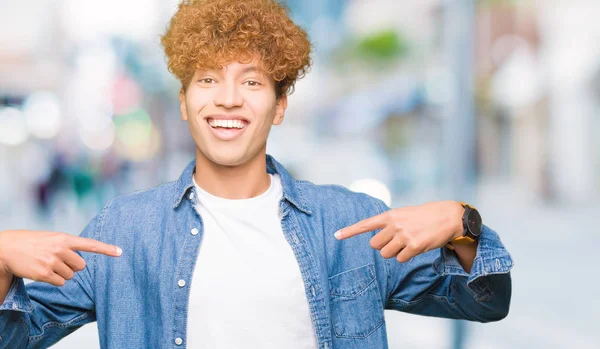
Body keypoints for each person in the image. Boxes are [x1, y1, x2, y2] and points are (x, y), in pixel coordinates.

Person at [0, 0, 513, 348]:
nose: (227, 98)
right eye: (207, 80)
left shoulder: (353, 223)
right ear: (184, 102)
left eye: (250, 81)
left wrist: (461, 220)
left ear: (280, 105)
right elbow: (12, 335)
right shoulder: (123, 231)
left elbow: (486, 300)